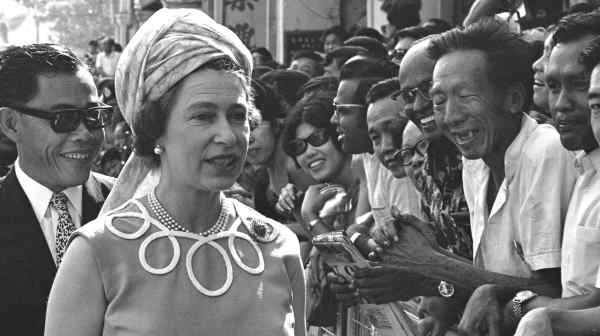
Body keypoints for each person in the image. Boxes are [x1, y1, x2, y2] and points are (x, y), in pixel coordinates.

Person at [44, 8, 305, 336]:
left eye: (238, 116)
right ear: (155, 133)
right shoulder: (96, 254)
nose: (227, 135)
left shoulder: (278, 245)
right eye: (203, 116)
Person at [0, 43, 115, 336]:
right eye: (63, 119)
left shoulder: (129, 206)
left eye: (93, 115)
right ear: (11, 123)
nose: (85, 134)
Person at [514, 33, 600, 336]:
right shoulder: (584, 167)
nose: (561, 104)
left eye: (578, 85)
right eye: (552, 87)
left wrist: (525, 307)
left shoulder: (550, 152)